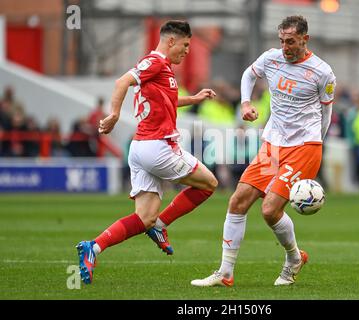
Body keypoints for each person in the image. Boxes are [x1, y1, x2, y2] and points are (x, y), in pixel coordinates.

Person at [191, 15, 336, 287]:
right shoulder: (272, 58)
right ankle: (225, 272)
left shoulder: (322, 72)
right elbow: (249, 73)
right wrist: (245, 103)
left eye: (291, 41)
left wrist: (319, 144)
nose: (285, 47)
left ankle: (293, 258)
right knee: (238, 201)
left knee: (269, 210)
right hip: (273, 144)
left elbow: (326, 112)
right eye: (282, 40)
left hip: (304, 147)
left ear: (305, 39)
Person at [76, 20, 218, 284]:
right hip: (158, 147)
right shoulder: (155, 62)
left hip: (140, 149)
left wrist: (194, 99)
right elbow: (122, 82)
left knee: (144, 217)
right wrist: (115, 115)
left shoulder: (161, 70)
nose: (186, 51)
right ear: (171, 41)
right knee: (210, 184)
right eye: (185, 45)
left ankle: (92, 248)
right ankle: (161, 227)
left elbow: (168, 99)